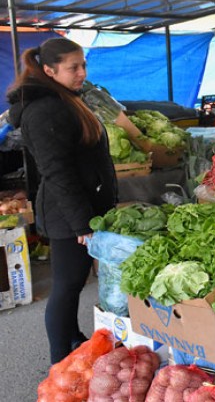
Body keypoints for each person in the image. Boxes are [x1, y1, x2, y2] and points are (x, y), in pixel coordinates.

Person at [6, 38, 117, 365]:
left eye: (83, 65)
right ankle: (58, 363)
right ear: (50, 70)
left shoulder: (65, 98)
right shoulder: (44, 110)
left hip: (76, 208)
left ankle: (73, 339)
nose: (82, 72)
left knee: (75, 282)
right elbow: (57, 173)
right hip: (66, 213)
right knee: (67, 287)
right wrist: (81, 222)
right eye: (73, 67)